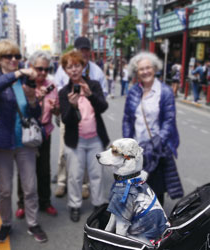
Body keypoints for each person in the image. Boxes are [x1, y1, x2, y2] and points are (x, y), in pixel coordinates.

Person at [0, 39, 48, 243]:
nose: (13, 60)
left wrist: (33, 99)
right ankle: (6, 223)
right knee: (5, 189)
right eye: (8, 56)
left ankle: (32, 222)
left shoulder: (25, 80)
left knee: (30, 186)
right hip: (1, 140)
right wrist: (18, 73)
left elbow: (34, 112)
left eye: (17, 57)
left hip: (24, 140)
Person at [122, 52, 184, 205]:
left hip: (157, 150)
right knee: (137, 193)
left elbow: (169, 122)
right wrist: (127, 144)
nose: (145, 72)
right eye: (141, 69)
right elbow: (127, 120)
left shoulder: (165, 91)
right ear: (136, 72)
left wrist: (156, 143)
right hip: (137, 151)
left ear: (155, 68)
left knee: (155, 193)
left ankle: (157, 225)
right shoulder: (133, 92)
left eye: (148, 68)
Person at [59, 50, 109, 222]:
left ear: (83, 67)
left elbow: (103, 107)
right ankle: (74, 205)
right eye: (69, 67)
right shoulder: (64, 92)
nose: (74, 70)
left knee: (97, 175)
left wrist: (90, 96)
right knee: (75, 176)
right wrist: (72, 106)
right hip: (75, 141)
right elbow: (65, 119)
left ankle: (99, 205)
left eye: (77, 66)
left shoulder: (93, 85)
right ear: (65, 70)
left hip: (95, 139)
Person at [15, 50, 59, 218]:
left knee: (44, 169)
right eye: (39, 68)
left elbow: (57, 110)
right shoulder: (22, 83)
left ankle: (45, 201)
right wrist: (33, 98)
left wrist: (55, 109)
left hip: (44, 132)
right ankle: (22, 203)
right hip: (25, 132)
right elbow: (19, 108)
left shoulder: (52, 85)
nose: (42, 73)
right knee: (24, 170)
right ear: (31, 66)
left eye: (46, 69)